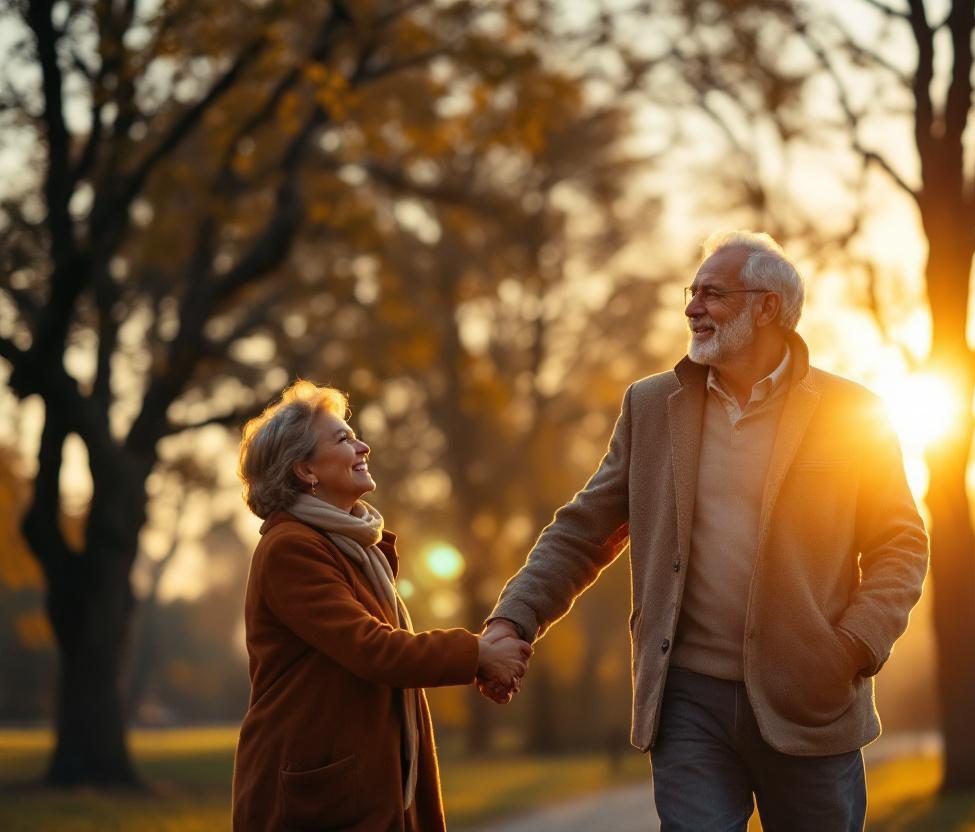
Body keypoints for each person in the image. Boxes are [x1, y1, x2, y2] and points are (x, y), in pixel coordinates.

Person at [482, 231, 930, 830]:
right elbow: (585, 529)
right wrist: (514, 619)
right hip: (687, 699)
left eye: (712, 293)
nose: (692, 307)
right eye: (692, 292)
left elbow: (900, 544)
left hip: (810, 700)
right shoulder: (651, 406)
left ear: (767, 308)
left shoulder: (855, 413)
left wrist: (852, 647)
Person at [232, 380, 531, 832]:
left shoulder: (354, 545)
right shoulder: (290, 550)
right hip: (316, 796)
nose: (363, 445)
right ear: (305, 471)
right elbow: (375, 650)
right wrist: (479, 654)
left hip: (363, 781)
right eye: (343, 439)